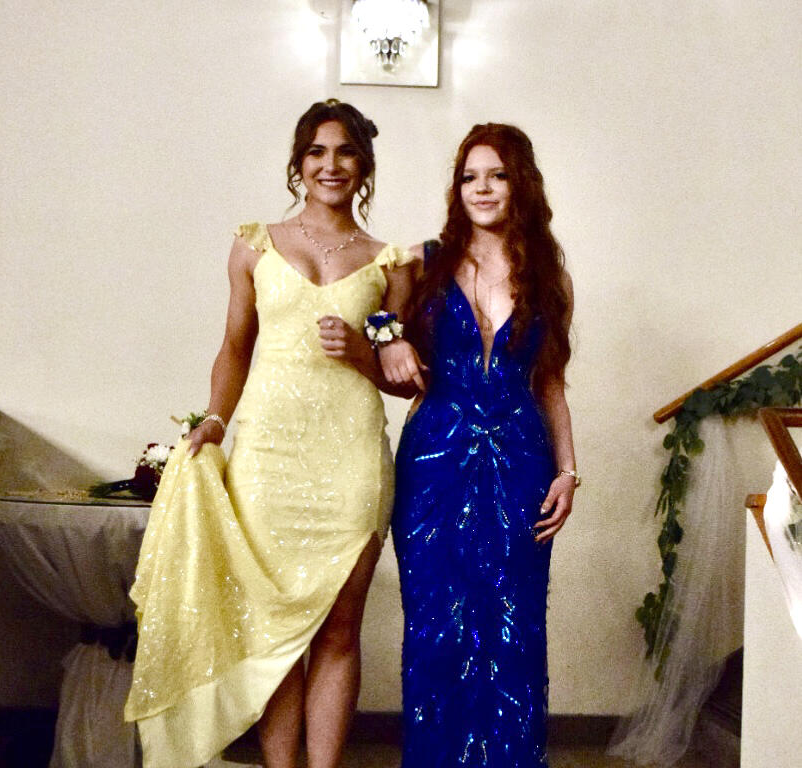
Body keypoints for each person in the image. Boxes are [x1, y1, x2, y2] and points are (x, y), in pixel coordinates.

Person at [124, 99, 413, 768]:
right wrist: (214, 420)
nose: (331, 165)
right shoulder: (255, 245)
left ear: (364, 165)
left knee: (338, 628)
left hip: (351, 454)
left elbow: (404, 379)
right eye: (317, 152)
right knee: (274, 633)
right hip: (267, 453)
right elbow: (234, 346)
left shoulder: (390, 263)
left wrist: (363, 354)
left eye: (345, 152)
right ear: (298, 163)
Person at [380, 123, 578, 766]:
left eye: (496, 175)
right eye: (469, 176)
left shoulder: (547, 274)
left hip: (522, 462)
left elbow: (550, 384)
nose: (482, 188)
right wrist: (390, 339)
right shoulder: (421, 261)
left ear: (521, 184)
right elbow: (375, 322)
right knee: (435, 626)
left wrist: (568, 471)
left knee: (514, 627)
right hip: (433, 464)